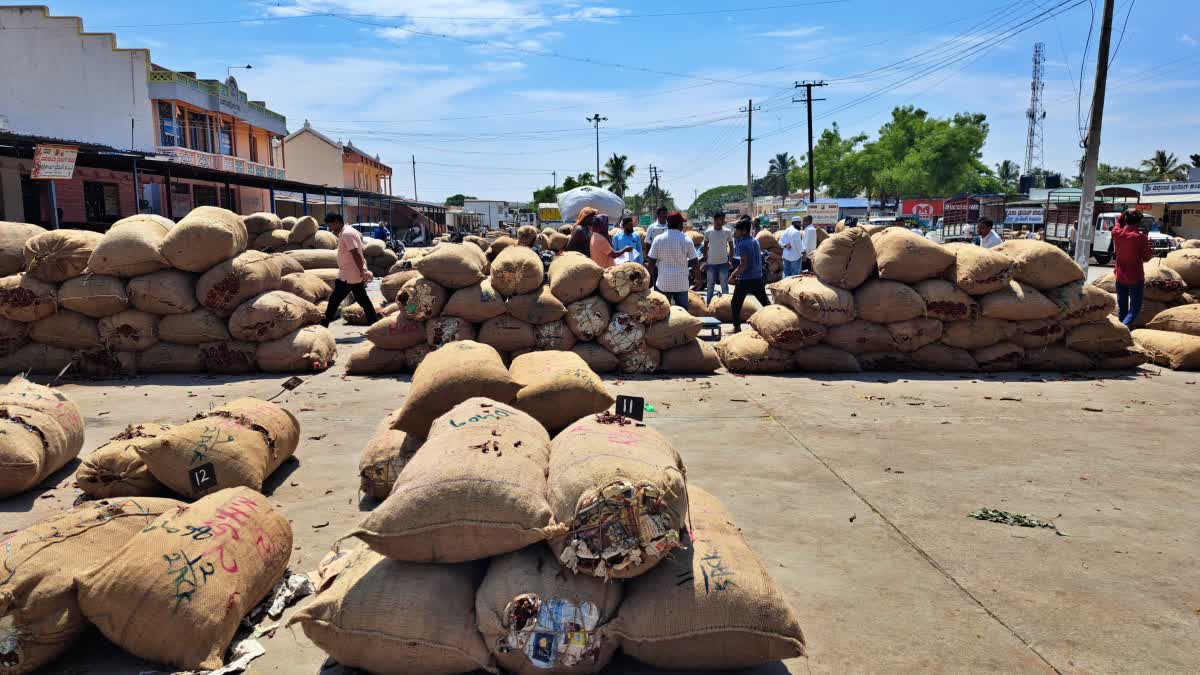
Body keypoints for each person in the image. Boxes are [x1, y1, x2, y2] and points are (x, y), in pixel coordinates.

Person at [321, 213, 379, 328]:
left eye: (331, 225)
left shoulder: (347, 234)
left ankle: (324, 324)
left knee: (334, 299)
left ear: (337, 221)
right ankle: (374, 322)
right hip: (350, 273)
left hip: (349, 275)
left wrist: (362, 270)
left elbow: (355, 253)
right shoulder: (348, 231)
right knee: (363, 299)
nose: (330, 228)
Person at [647, 211, 699, 309]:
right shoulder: (686, 240)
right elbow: (694, 262)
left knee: (662, 313)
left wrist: (646, 280)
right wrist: (698, 279)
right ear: (679, 225)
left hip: (663, 283)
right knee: (683, 314)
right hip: (681, 283)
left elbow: (651, 262)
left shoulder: (658, 239)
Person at [1112, 209, 1154, 327]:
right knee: (1135, 308)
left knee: (1123, 308)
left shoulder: (1116, 233)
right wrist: (1151, 251)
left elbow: (1118, 222)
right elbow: (1147, 257)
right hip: (1135, 277)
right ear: (1139, 222)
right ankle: (1123, 329)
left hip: (1120, 276)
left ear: (1126, 220)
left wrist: (1124, 213)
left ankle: (1121, 332)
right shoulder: (1140, 237)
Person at [729, 217, 771, 333]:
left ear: (743, 231)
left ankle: (737, 328)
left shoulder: (743, 243)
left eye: (737, 230)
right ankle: (774, 321)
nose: (735, 232)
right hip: (758, 278)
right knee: (766, 303)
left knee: (735, 304)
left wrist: (733, 275)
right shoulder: (755, 241)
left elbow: (743, 264)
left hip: (746, 280)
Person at [703, 212, 735, 304]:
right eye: (720, 219)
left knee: (724, 286)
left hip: (723, 264)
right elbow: (705, 247)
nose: (722, 221)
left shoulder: (727, 231)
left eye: (723, 219)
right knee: (710, 286)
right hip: (711, 264)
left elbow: (731, 246)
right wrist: (705, 261)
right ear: (715, 220)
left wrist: (730, 260)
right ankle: (708, 305)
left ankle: (726, 305)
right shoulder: (708, 232)